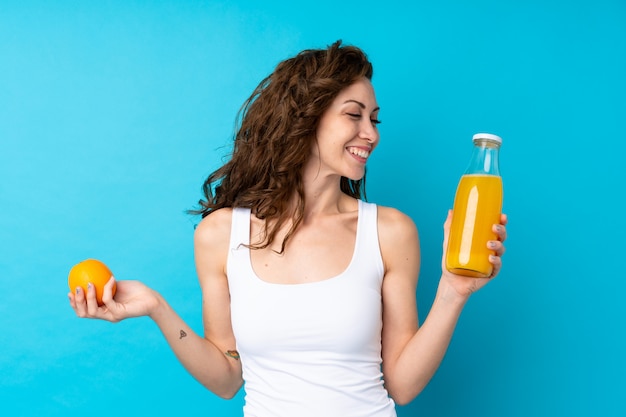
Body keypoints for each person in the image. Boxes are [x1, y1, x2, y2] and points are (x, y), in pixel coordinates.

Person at [68, 40, 507, 417]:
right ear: (305, 118)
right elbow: (226, 378)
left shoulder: (389, 232)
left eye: (374, 118)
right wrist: (157, 308)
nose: (369, 133)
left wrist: (452, 293)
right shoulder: (221, 236)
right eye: (353, 115)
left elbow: (403, 386)